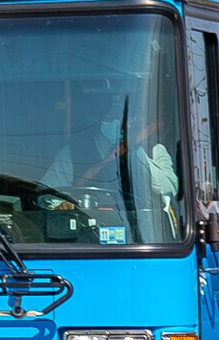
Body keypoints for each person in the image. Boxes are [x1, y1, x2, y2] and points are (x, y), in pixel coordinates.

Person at [41, 83, 180, 235]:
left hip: (141, 237)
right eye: (110, 116)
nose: (115, 122)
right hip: (87, 235)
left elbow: (170, 187)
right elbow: (46, 193)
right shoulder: (74, 151)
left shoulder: (152, 148)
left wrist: (133, 152)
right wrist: (60, 204)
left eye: (121, 117)